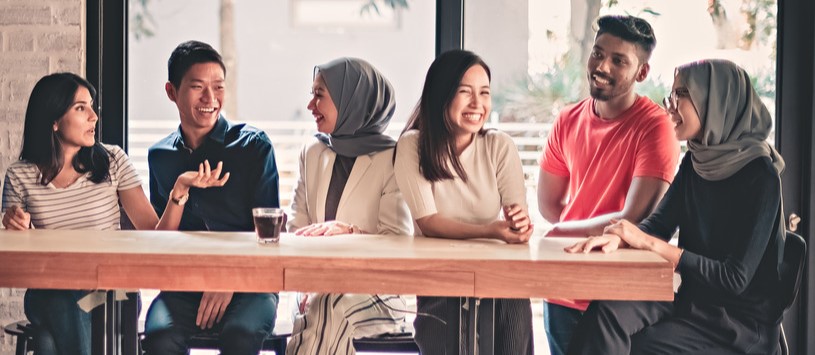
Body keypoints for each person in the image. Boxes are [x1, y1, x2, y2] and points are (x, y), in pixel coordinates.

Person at [565, 59, 785, 354]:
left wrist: (649, 244)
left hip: (738, 324)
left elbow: (734, 278)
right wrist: (619, 238)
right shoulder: (696, 162)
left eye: (681, 94)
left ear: (715, 101)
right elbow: (658, 225)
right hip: (690, 300)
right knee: (605, 313)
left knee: (639, 346)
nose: (670, 105)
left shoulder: (761, 177)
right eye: (672, 94)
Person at [1, 72, 227, 355]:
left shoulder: (113, 161)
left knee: (47, 342)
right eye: (80, 108)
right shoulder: (20, 175)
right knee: (61, 300)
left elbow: (156, 236)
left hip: (112, 292)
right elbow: (20, 260)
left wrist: (179, 189)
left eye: (92, 106)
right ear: (54, 120)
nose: (94, 116)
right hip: (52, 290)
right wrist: (18, 230)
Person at [536, 15, 680, 354]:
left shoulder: (656, 127)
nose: (602, 66)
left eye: (619, 60)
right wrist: (572, 232)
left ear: (641, 72)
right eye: (598, 53)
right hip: (562, 290)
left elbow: (633, 220)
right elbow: (548, 205)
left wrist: (565, 231)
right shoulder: (567, 119)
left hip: (618, 295)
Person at [142, 40, 280, 355]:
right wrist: (179, 191)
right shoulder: (159, 156)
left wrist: (230, 278)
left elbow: (269, 236)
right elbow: (163, 243)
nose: (210, 98)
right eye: (197, 87)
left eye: (218, 87)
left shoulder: (254, 146)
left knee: (239, 337)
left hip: (250, 284)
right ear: (172, 91)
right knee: (159, 338)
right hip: (184, 287)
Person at [394, 49, 534, 354]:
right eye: (464, 92)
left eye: (484, 93)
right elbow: (428, 223)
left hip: (499, 276)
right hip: (439, 278)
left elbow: (517, 219)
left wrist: (520, 225)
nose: (477, 104)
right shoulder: (412, 145)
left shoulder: (500, 146)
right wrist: (492, 230)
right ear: (441, 96)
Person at [284, 57, 413, 355]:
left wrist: (351, 233)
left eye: (319, 95)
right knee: (325, 307)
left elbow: (399, 243)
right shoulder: (312, 151)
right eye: (312, 94)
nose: (310, 105)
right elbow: (296, 230)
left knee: (328, 307)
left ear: (351, 101)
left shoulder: (393, 158)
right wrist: (311, 281)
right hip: (314, 286)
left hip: (380, 292)